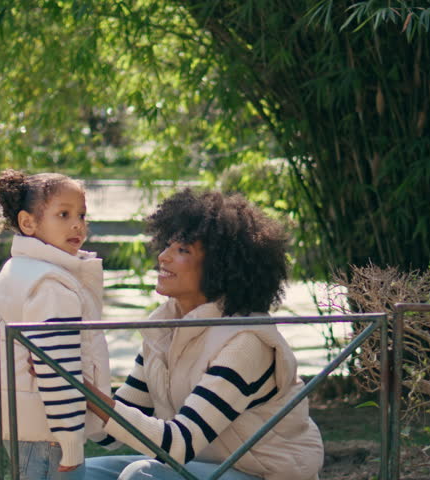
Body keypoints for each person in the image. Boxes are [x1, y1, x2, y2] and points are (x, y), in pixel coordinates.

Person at [82, 189, 324, 480]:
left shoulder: (246, 343)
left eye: (182, 250)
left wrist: (85, 391)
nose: (162, 257)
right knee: (79, 474)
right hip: (200, 468)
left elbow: (179, 444)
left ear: (220, 267)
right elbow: (110, 435)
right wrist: (68, 380)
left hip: (262, 474)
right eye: (167, 245)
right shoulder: (163, 331)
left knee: (142, 476)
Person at [0, 169, 113, 479]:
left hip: (24, 423)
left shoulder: (21, 269)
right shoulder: (51, 285)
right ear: (28, 222)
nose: (77, 224)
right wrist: (72, 444)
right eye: (63, 214)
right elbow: (58, 372)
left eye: (81, 214)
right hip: (48, 431)